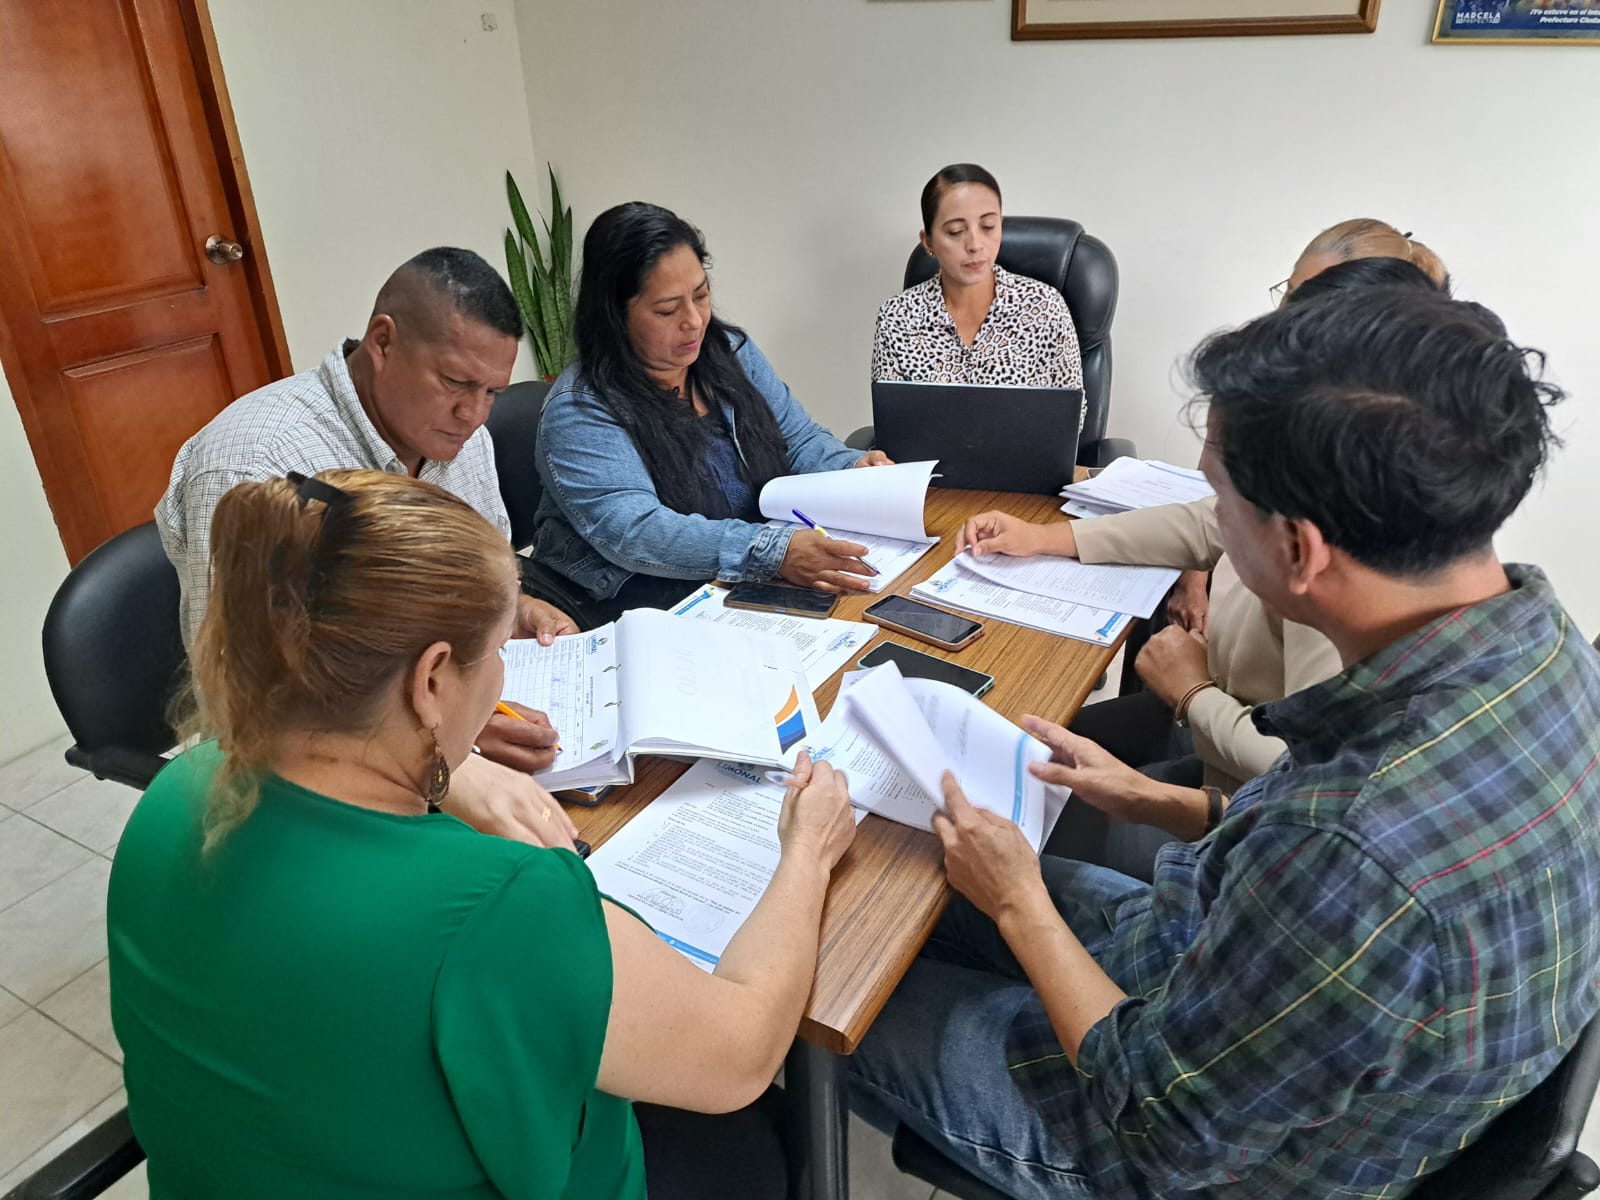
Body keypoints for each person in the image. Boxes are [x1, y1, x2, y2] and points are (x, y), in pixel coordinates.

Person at [850, 285, 1600, 1199]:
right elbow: (1314, 871)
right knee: (896, 884)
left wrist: (1018, 904)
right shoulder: (1546, 645)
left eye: (1218, 499)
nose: (1209, 526)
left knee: (842, 990)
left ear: (1300, 549)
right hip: (1224, 971)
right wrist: (1155, 797)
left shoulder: (1353, 850)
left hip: (1174, 1141)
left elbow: (1158, 1124)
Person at [111, 468, 858, 1199]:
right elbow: (741, 1055)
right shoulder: (501, 904)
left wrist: (451, 772)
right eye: (498, 651)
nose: (501, 675)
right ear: (431, 680)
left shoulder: (176, 793)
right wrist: (808, 852)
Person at [964, 257, 1446, 877]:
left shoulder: (1340, 578)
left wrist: (1191, 694)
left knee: (999, 839)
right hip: (1217, 758)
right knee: (1021, 746)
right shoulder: (1299, 499)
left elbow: (1305, 792)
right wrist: (1045, 538)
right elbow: (1203, 523)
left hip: (1238, 806)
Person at [158, 247, 573, 776]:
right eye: (454, 382)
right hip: (313, 771)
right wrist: (444, 732)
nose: (473, 414)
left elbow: (466, 584)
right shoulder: (258, 464)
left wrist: (514, 609)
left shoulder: (460, 437)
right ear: (382, 342)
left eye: (491, 391)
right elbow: (243, 696)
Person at [533, 202, 892, 622]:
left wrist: (853, 469)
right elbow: (636, 531)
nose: (694, 321)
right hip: (645, 604)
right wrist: (772, 551)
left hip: (745, 578)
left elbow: (797, 439)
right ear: (614, 315)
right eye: (667, 310)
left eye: (701, 295)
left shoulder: (730, 352)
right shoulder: (579, 408)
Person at [1167, 219, 1452, 633]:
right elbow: (1216, 503)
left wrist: (1191, 676)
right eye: (1292, 292)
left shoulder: (1380, 434)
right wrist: (1192, 585)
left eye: (1317, 301)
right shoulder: (1255, 375)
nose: (1292, 314)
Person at [871, 163, 1083, 396]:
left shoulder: (1045, 307)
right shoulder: (897, 317)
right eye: (955, 231)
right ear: (928, 242)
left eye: (988, 227)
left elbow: (1071, 411)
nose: (975, 245)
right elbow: (891, 413)